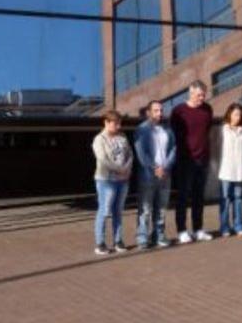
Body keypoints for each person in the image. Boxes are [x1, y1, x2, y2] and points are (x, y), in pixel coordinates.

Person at [170, 80, 214, 244]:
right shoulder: (178, 111)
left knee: (198, 196)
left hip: (202, 159)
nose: (201, 98)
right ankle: (182, 230)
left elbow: (205, 132)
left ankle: (198, 229)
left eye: (203, 95)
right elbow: (173, 137)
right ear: (190, 92)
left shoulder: (207, 110)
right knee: (182, 196)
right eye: (198, 95)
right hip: (185, 160)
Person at [134, 100, 175, 249]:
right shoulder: (141, 129)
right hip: (148, 175)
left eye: (161, 110)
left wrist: (166, 167)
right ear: (148, 112)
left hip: (165, 175)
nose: (160, 113)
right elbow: (141, 153)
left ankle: (159, 235)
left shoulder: (168, 129)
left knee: (162, 208)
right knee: (145, 209)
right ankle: (142, 238)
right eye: (156, 110)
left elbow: (173, 149)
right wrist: (154, 168)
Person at [92, 110, 133, 255]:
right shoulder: (99, 139)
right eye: (115, 123)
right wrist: (120, 169)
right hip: (106, 181)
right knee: (104, 211)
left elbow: (129, 153)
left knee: (118, 211)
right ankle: (100, 243)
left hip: (122, 181)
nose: (118, 126)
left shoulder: (122, 137)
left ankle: (118, 240)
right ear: (106, 123)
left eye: (120, 123)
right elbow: (103, 159)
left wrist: (127, 168)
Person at [216, 103, 242, 237]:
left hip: (240, 169)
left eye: (240, 115)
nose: (237, 117)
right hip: (226, 169)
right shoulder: (223, 130)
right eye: (235, 114)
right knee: (225, 198)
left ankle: (238, 225)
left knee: (238, 198)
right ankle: (224, 226)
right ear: (229, 114)